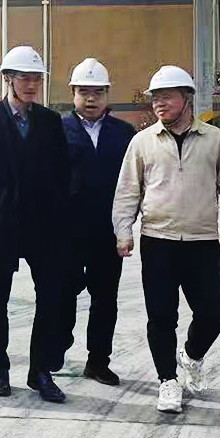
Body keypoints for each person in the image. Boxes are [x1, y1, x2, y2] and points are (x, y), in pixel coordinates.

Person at [112, 65, 220, 414]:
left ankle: (191, 355)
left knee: (214, 312)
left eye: (167, 97)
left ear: (187, 98)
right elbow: (127, 192)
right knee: (161, 316)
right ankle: (167, 381)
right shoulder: (142, 142)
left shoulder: (214, 140)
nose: (159, 103)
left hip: (202, 241)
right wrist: (123, 230)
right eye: (155, 98)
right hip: (158, 241)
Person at [0, 45, 70, 402]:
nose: (32, 85)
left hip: (43, 225)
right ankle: (0, 369)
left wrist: (55, 207)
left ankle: (40, 372)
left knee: (49, 297)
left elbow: (63, 171)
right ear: (8, 79)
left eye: (37, 78)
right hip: (1, 225)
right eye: (25, 78)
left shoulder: (50, 122)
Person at [57, 58, 137, 386]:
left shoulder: (125, 134)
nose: (91, 99)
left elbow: (135, 183)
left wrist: (126, 226)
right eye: (84, 92)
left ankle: (98, 361)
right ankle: (58, 344)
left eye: (98, 92)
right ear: (73, 94)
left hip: (108, 232)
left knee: (105, 299)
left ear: (107, 95)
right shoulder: (57, 130)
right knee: (63, 292)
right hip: (66, 232)